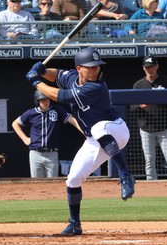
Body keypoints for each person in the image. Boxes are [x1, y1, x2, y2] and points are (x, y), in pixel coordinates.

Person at [25, 47, 136, 235]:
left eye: (97, 67)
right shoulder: (71, 78)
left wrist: (36, 81)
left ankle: (125, 176)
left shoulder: (96, 87)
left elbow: (59, 96)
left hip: (116, 129)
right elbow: (56, 75)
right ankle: (75, 224)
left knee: (98, 127)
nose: (95, 70)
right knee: (73, 179)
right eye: (90, 67)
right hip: (96, 140)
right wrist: (43, 71)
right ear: (79, 69)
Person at [12, 90, 82, 177]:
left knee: (53, 183)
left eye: (47, 99)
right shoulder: (31, 113)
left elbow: (71, 119)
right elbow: (15, 123)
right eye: (43, 100)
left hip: (52, 153)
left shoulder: (56, 110)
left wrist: (83, 131)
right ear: (37, 101)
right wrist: (25, 139)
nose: (46, 102)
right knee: (36, 184)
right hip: (35, 153)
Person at [131, 55, 167, 180]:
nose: (149, 69)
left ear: (157, 66)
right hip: (146, 128)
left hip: (163, 127)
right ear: (143, 68)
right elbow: (132, 107)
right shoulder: (138, 85)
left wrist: (157, 101)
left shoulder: (166, 81)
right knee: (149, 160)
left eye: (151, 67)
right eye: (147, 67)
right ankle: (151, 187)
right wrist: (141, 105)